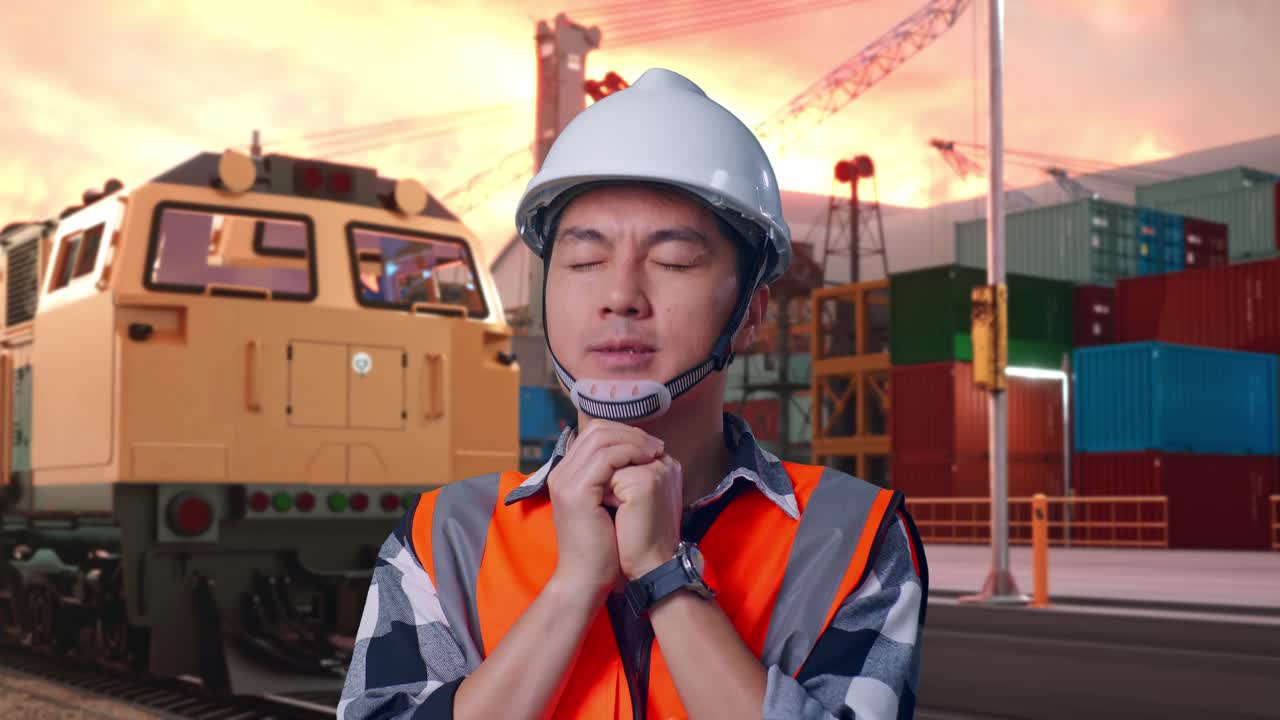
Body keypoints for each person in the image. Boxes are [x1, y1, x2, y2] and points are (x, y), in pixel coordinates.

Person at [339, 67, 929, 720]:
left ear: (754, 313)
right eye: (584, 262)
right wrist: (572, 588)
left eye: (674, 262)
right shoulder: (446, 535)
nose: (620, 296)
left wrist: (664, 574)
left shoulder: (850, 536)